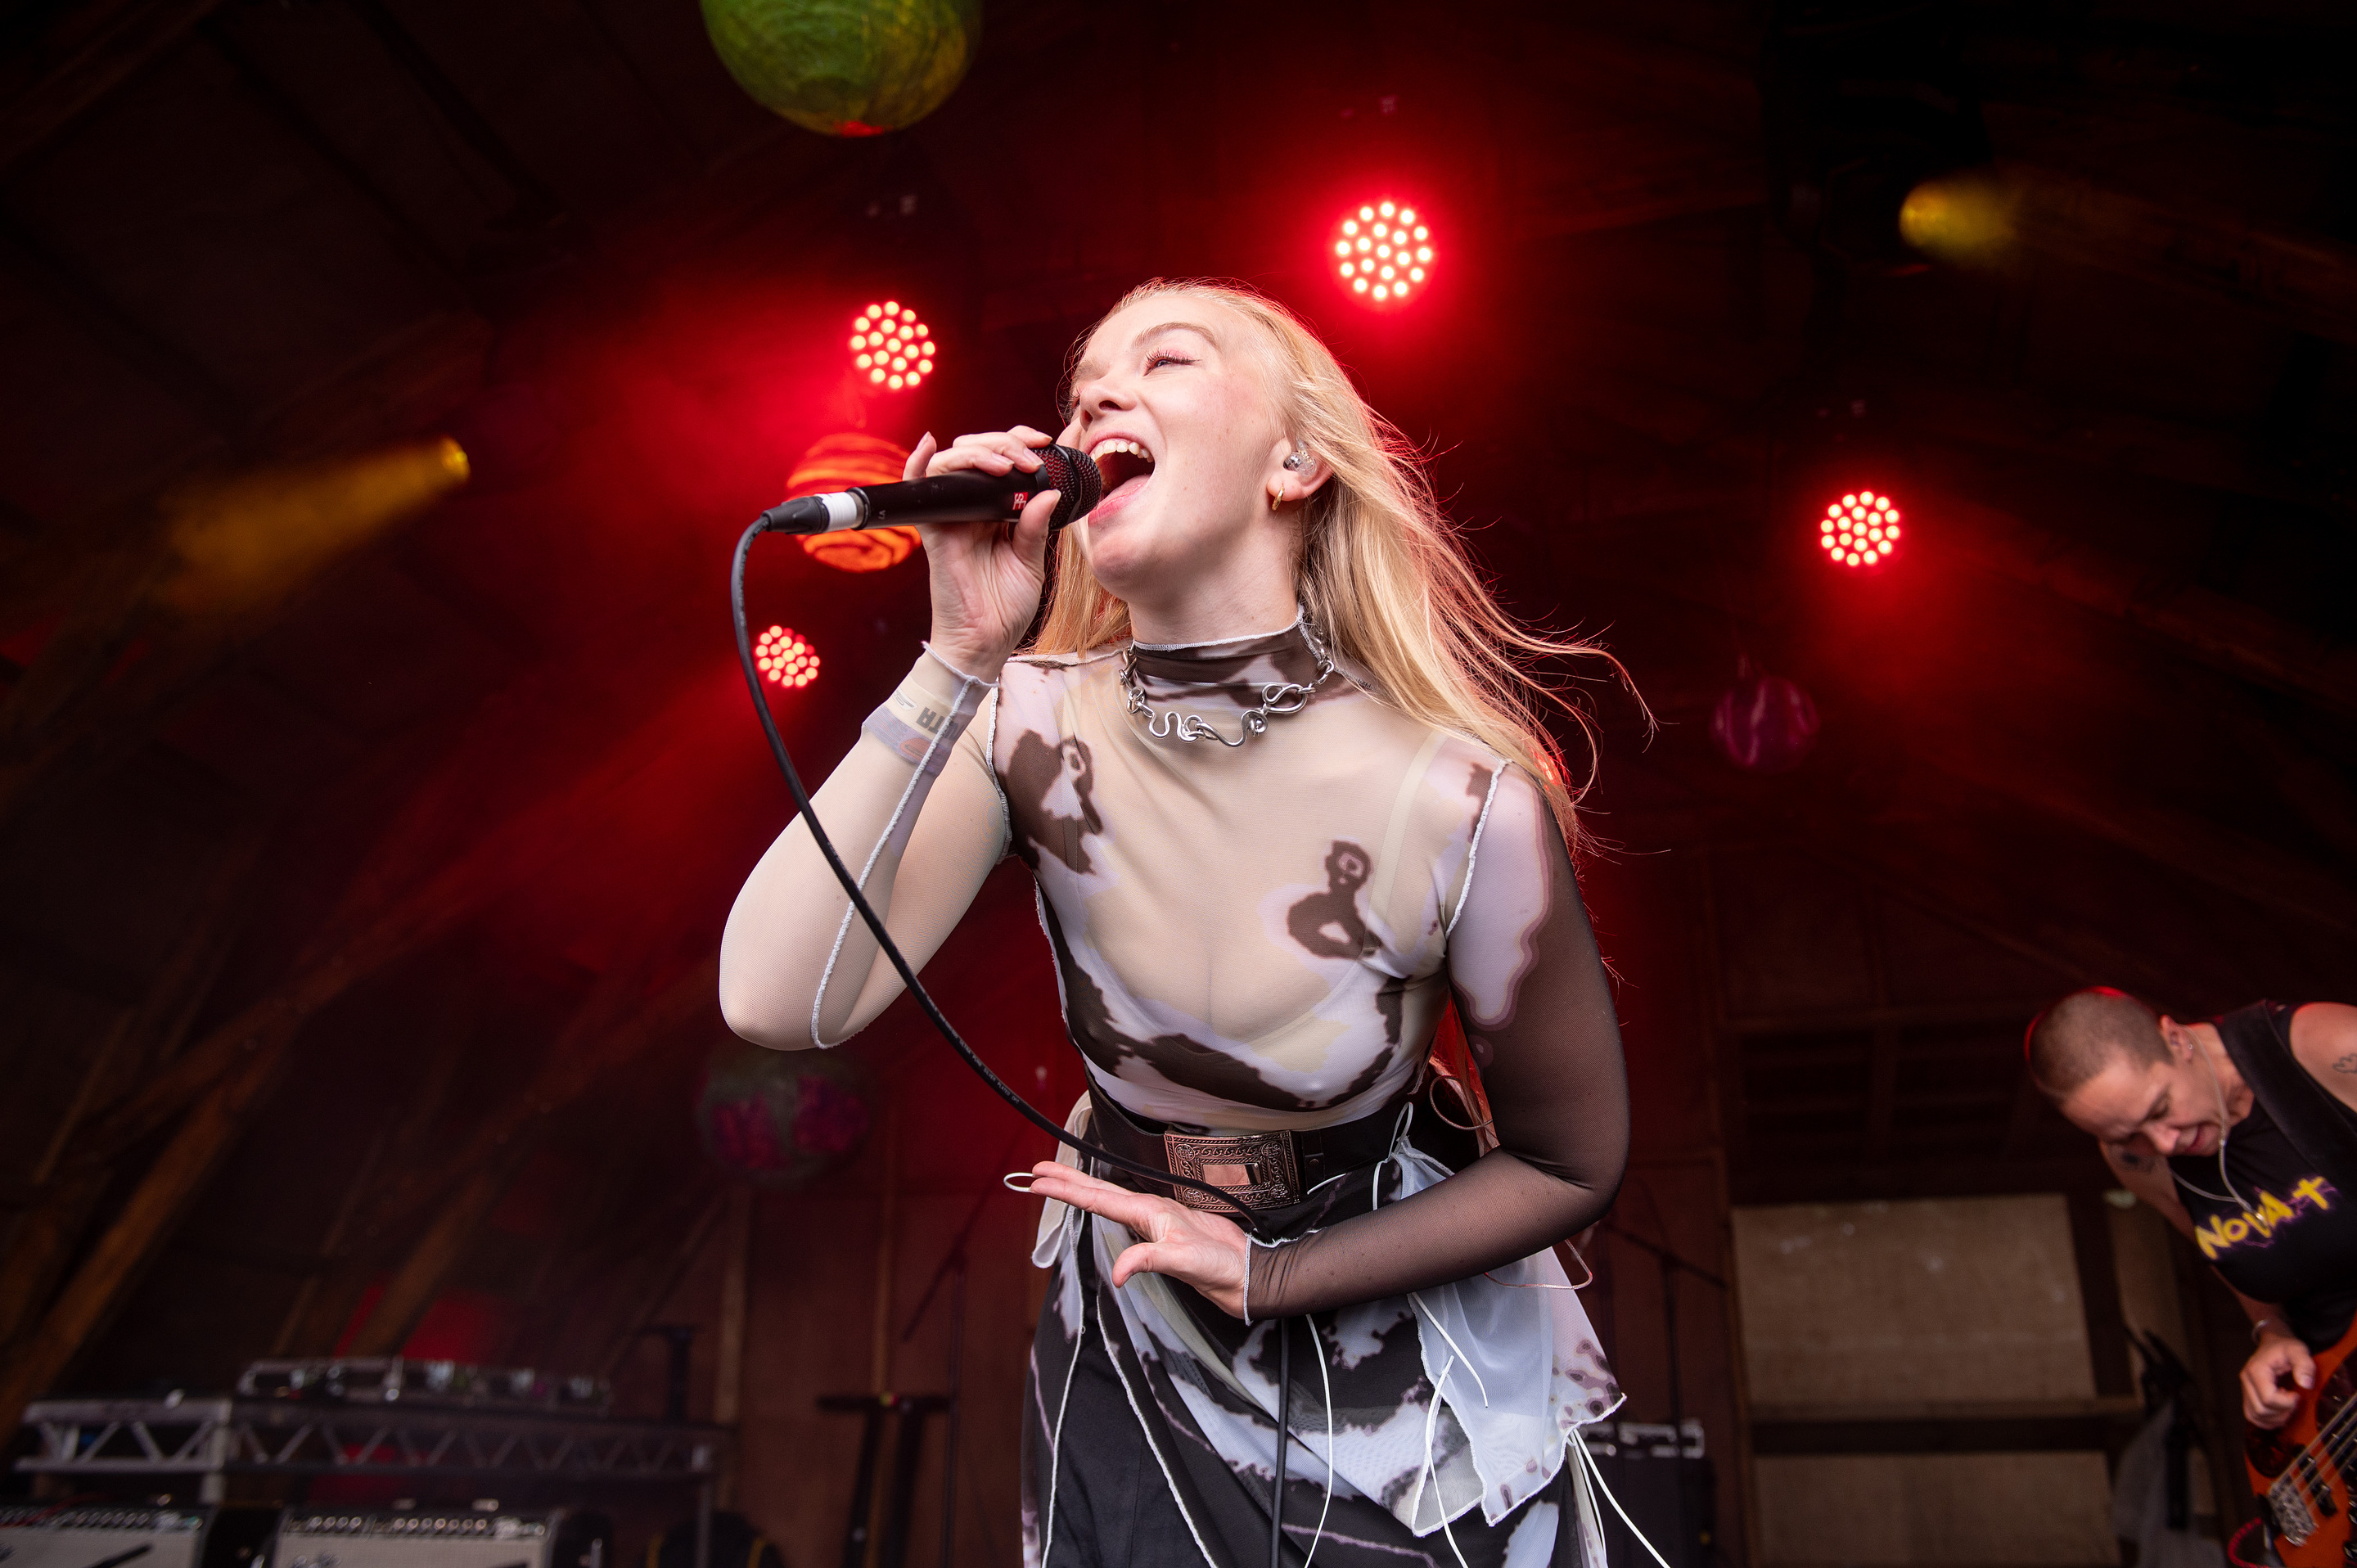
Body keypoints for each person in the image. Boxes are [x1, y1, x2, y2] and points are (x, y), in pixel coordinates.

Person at [720, 280, 1633, 1568]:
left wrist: (1273, 1278)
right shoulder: (1023, 723)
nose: (1096, 395)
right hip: (1134, 1339)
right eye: (1083, 384)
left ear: (1295, 464)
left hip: (1389, 1364)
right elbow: (775, 1000)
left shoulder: (1459, 795)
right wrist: (957, 656)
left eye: (1167, 360)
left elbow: (1569, 1164)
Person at [2026, 989, 2357, 1435]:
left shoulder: (2328, 1047)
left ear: (2177, 1040)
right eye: (2129, 1135)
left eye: (2160, 1108)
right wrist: (2272, 1331)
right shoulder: (2134, 1162)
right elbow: (2235, 1252)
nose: (2164, 1144)